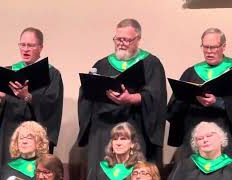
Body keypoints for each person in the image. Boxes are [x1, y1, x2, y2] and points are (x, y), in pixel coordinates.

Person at [77, 18, 167, 172]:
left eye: (126, 40)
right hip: (104, 128)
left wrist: (131, 99)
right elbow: (86, 96)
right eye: (118, 39)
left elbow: (156, 97)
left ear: (138, 39)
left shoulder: (151, 63)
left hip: (135, 127)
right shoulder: (102, 64)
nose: (121, 43)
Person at [0, 27, 63, 180]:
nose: (25, 49)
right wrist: (0, 98)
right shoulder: (7, 72)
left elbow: (52, 106)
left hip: (35, 139)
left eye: (31, 45)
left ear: (41, 47)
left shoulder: (52, 74)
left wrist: (28, 96)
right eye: (22, 45)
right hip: (9, 136)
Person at [167, 28, 232, 161]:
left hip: (226, 135)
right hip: (194, 135)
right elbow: (173, 109)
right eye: (205, 47)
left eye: (213, 47)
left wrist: (219, 102)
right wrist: (186, 97)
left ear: (224, 46)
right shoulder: (191, 73)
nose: (208, 51)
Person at [168, 122, 232, 180]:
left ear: (221, 138)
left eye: (209, 135)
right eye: (200, 138)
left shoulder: (230, 166)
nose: (205, 140)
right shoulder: (185, 165)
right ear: (196, 144)